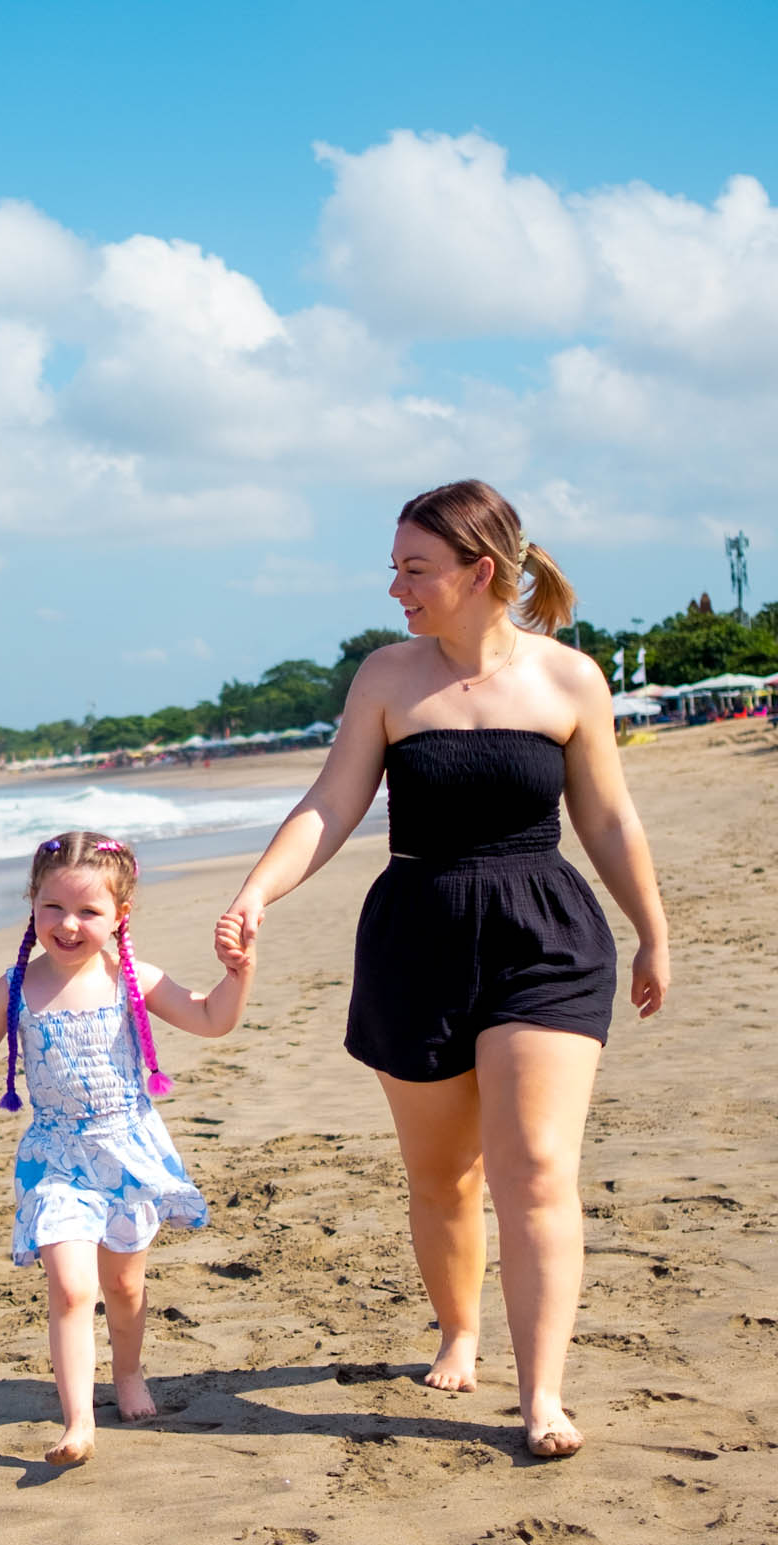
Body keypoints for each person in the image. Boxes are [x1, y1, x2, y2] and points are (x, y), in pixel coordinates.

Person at [222, 480, 669, 1458]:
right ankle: (460, 1329)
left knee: (537, 1167)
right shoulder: (387, 679)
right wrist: (258, 893)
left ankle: (541, 1396)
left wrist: (652, 928)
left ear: (481, 572)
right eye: (394, 568)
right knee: (443, 1176)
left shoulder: (567, 680)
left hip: (544, 933)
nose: (397, 588)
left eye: (414, 569)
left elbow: (606, 817)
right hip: (417, 934)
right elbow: (329, 806)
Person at [0, 832, 254, 1466]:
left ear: (120, 915)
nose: (69, 925)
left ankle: (127, 1374)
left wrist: (238, 972)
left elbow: (211, 1018)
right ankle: (77, 1423)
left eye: (89, 912)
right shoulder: (17, 986)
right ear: (32, 905)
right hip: (56, 1159)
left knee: (124, 1288)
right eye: (53, 908)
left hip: (127, 1152)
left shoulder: (132, 978)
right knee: (72, 1290)